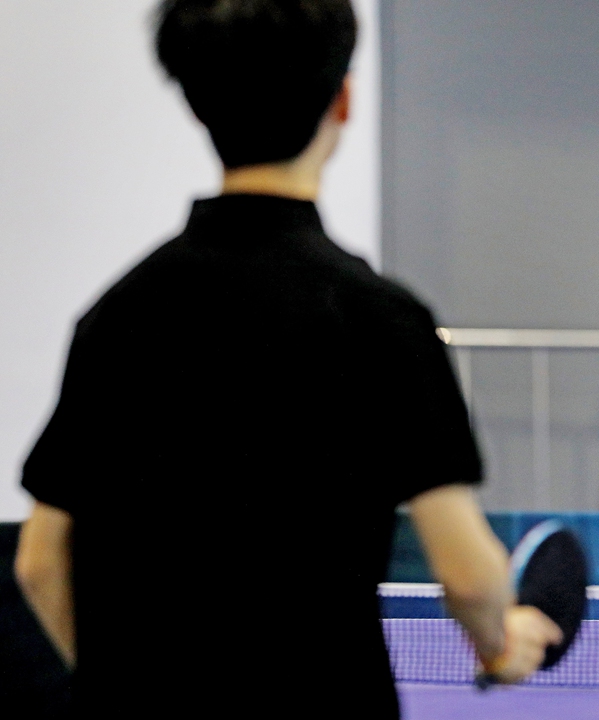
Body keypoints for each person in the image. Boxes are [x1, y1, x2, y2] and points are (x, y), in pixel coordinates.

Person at [13, 1, 560, 717]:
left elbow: (40, 561)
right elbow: (466, 575)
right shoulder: (382, 319)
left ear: (197, 101)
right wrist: (502, 642)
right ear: (343, 100)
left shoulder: (117, 317)